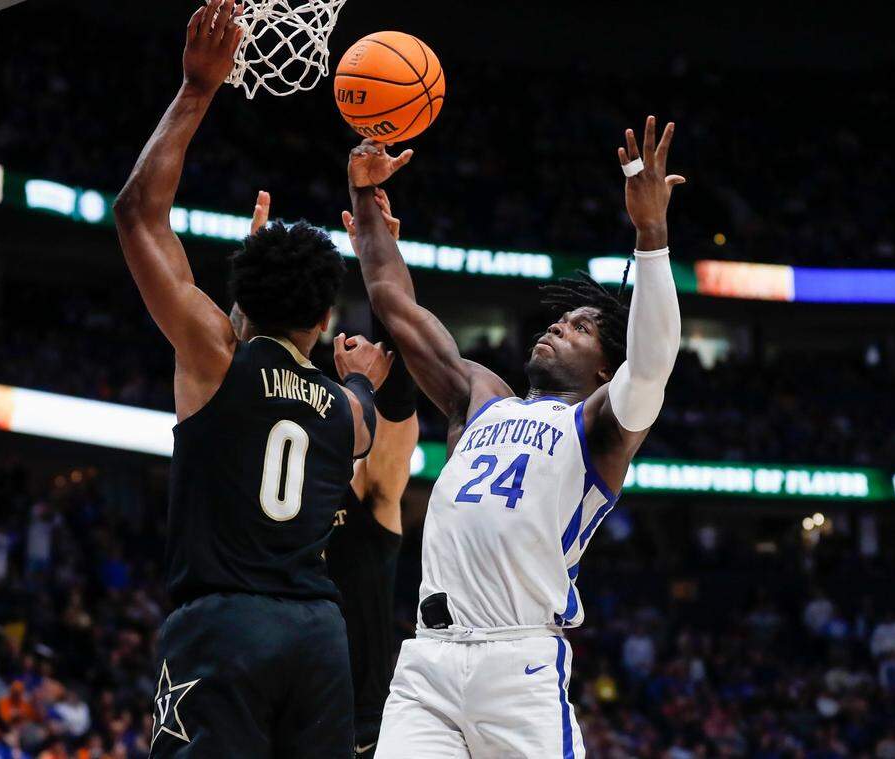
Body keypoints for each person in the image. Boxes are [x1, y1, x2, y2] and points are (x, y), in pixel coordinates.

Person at [346, 115, 684, 757]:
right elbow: (396, 306)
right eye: (559, 320)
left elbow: (653, 361)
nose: (557, 327)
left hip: (518, 662)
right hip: (427, 661)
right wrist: (365, 196)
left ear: (605, 370)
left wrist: (651, 236)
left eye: (580, 328)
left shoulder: (601, 425)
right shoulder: (480, 398)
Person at [112, 2, 392, 756]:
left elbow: (138, 215)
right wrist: (362, 377)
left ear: (240, 295)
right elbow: (363, 412)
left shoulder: (215, 357)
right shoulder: (345, 411)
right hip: (319, 638)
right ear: (325, 318)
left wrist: (196, 90)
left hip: (224, 626)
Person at [250, 189, 421, 755]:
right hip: (272, 711)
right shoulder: (260, 471)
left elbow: (398, 401)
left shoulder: (368, 487)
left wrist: (384, 265)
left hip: (357, 725)